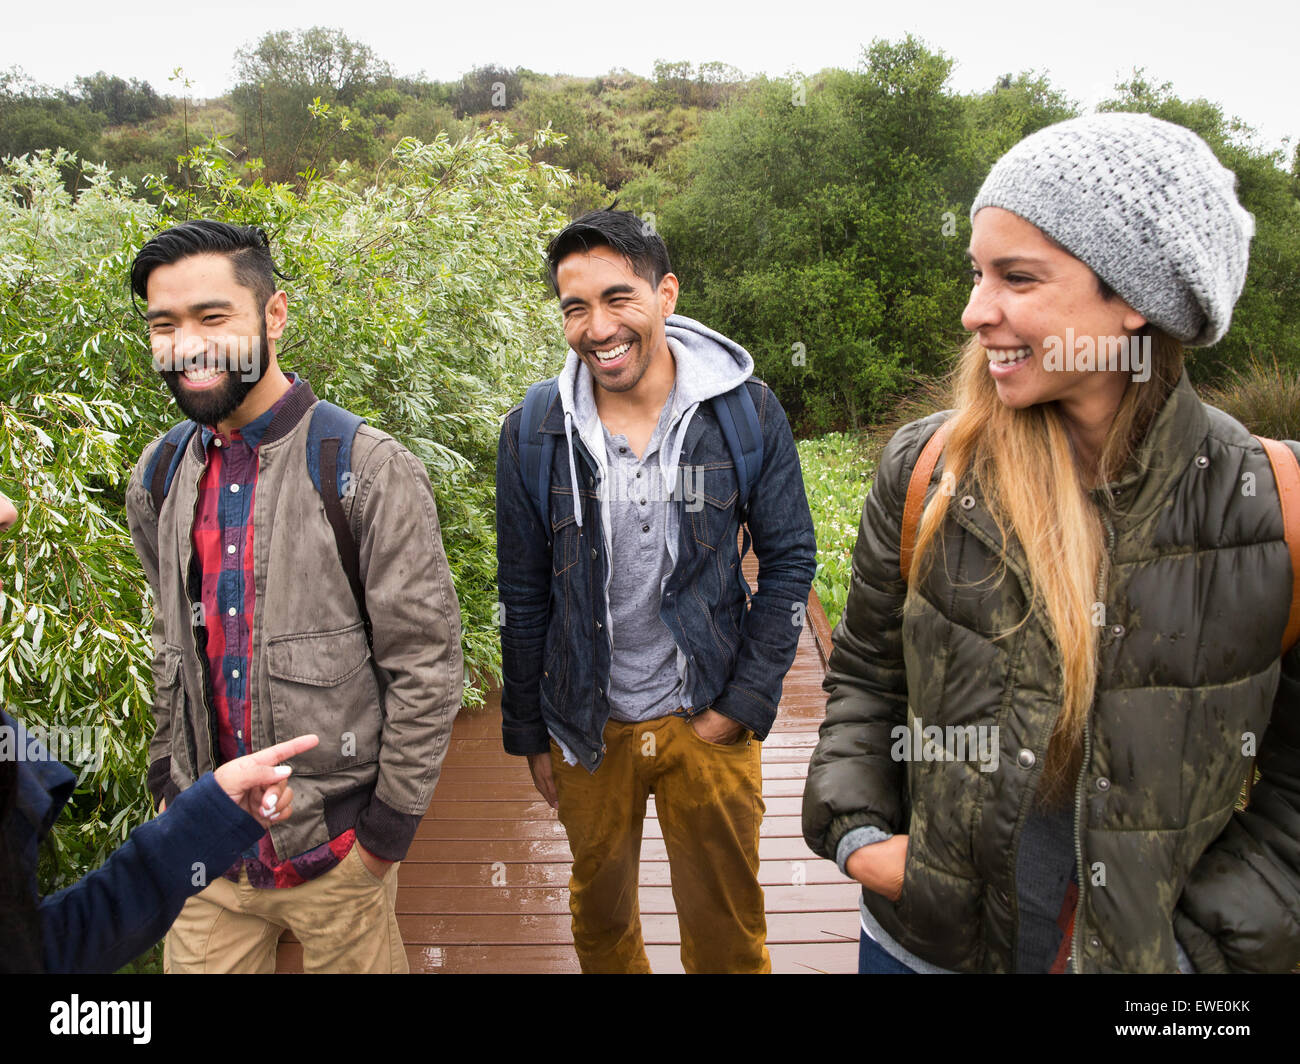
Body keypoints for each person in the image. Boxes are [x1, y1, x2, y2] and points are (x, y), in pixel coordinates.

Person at [802, 111, 1300, 973]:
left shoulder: (1275, 504)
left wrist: (1202, 949)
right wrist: (860, 833)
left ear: (1137, 297)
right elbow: (865, 678)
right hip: (922, 948)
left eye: (1017, 278)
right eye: (976, 272)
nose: (972, 311)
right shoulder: (929, 470)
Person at [125, 220, 464, 973]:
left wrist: (381, 843)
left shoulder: (367, 471)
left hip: (336, 853)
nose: (187, 345)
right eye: (164, 325)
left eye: (213, 318)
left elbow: (427, 668)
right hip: (205, 857)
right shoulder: (159, 474)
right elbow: (169, 644)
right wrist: (166, 791)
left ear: (273, 315)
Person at [495, 209, 817, 973]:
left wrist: (739, 705)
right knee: (601, 928)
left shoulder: (745, 412)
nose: (598, 327)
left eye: (618, 298)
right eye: (576, 307)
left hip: (704, 709)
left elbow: (790, 561)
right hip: (585, 727)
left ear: (666, 294)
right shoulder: (534, 430)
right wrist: (528, 733)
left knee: (728, 936)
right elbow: (522, 591)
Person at [0, 489, 321, 974]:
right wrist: (167, 778)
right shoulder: (162, 473)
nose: (8, 511)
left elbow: (33, 952)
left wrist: (201, 821)